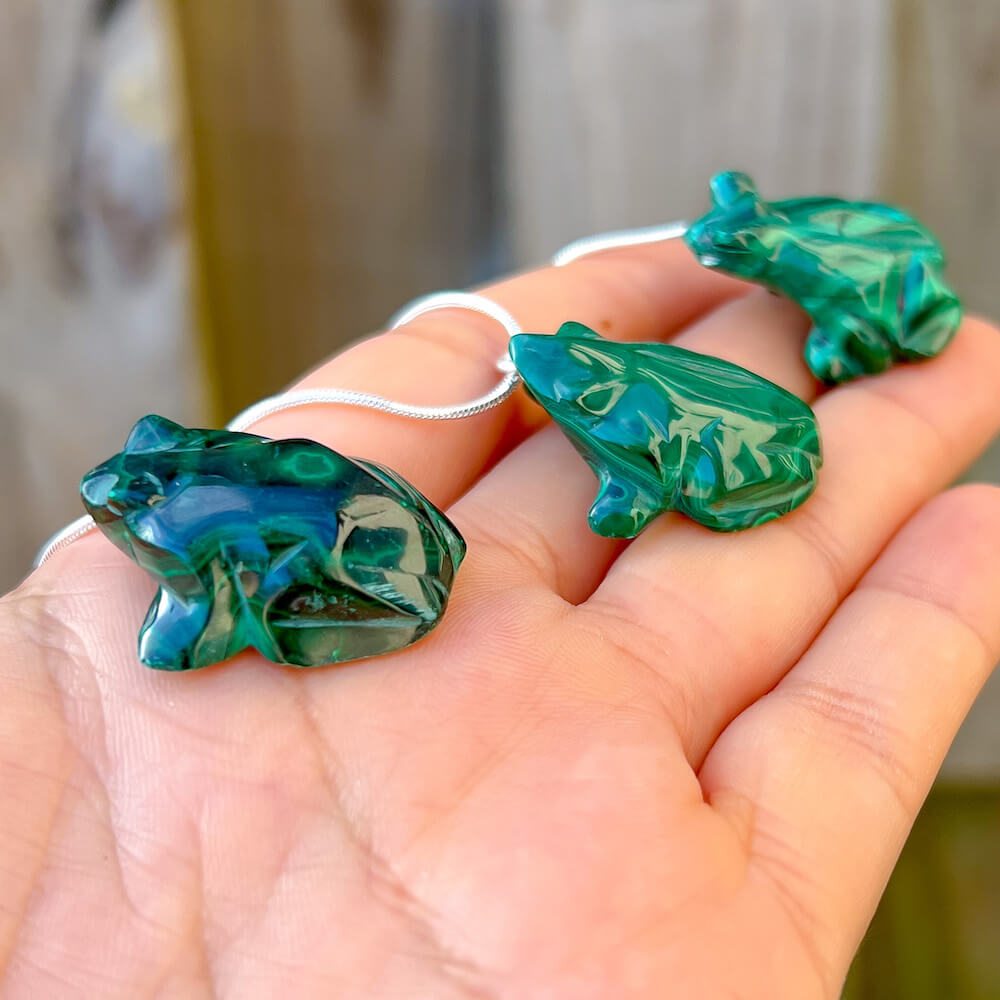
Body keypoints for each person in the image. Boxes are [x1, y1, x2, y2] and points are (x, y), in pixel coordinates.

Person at [2, 239, 999, 998]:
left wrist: (193, 622)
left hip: (399, 557)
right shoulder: (191, 509)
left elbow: (201, 615)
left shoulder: (187, 527)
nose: (123, 503)